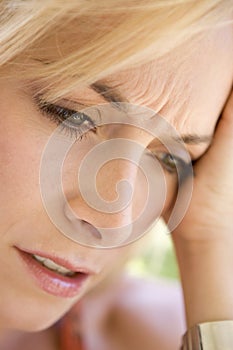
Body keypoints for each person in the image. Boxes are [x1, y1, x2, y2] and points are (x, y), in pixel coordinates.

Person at [0, 1, 232, 349]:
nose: (116, 222)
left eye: (169, 159)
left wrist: (207, 241)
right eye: (71, 116)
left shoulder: (153, 334)